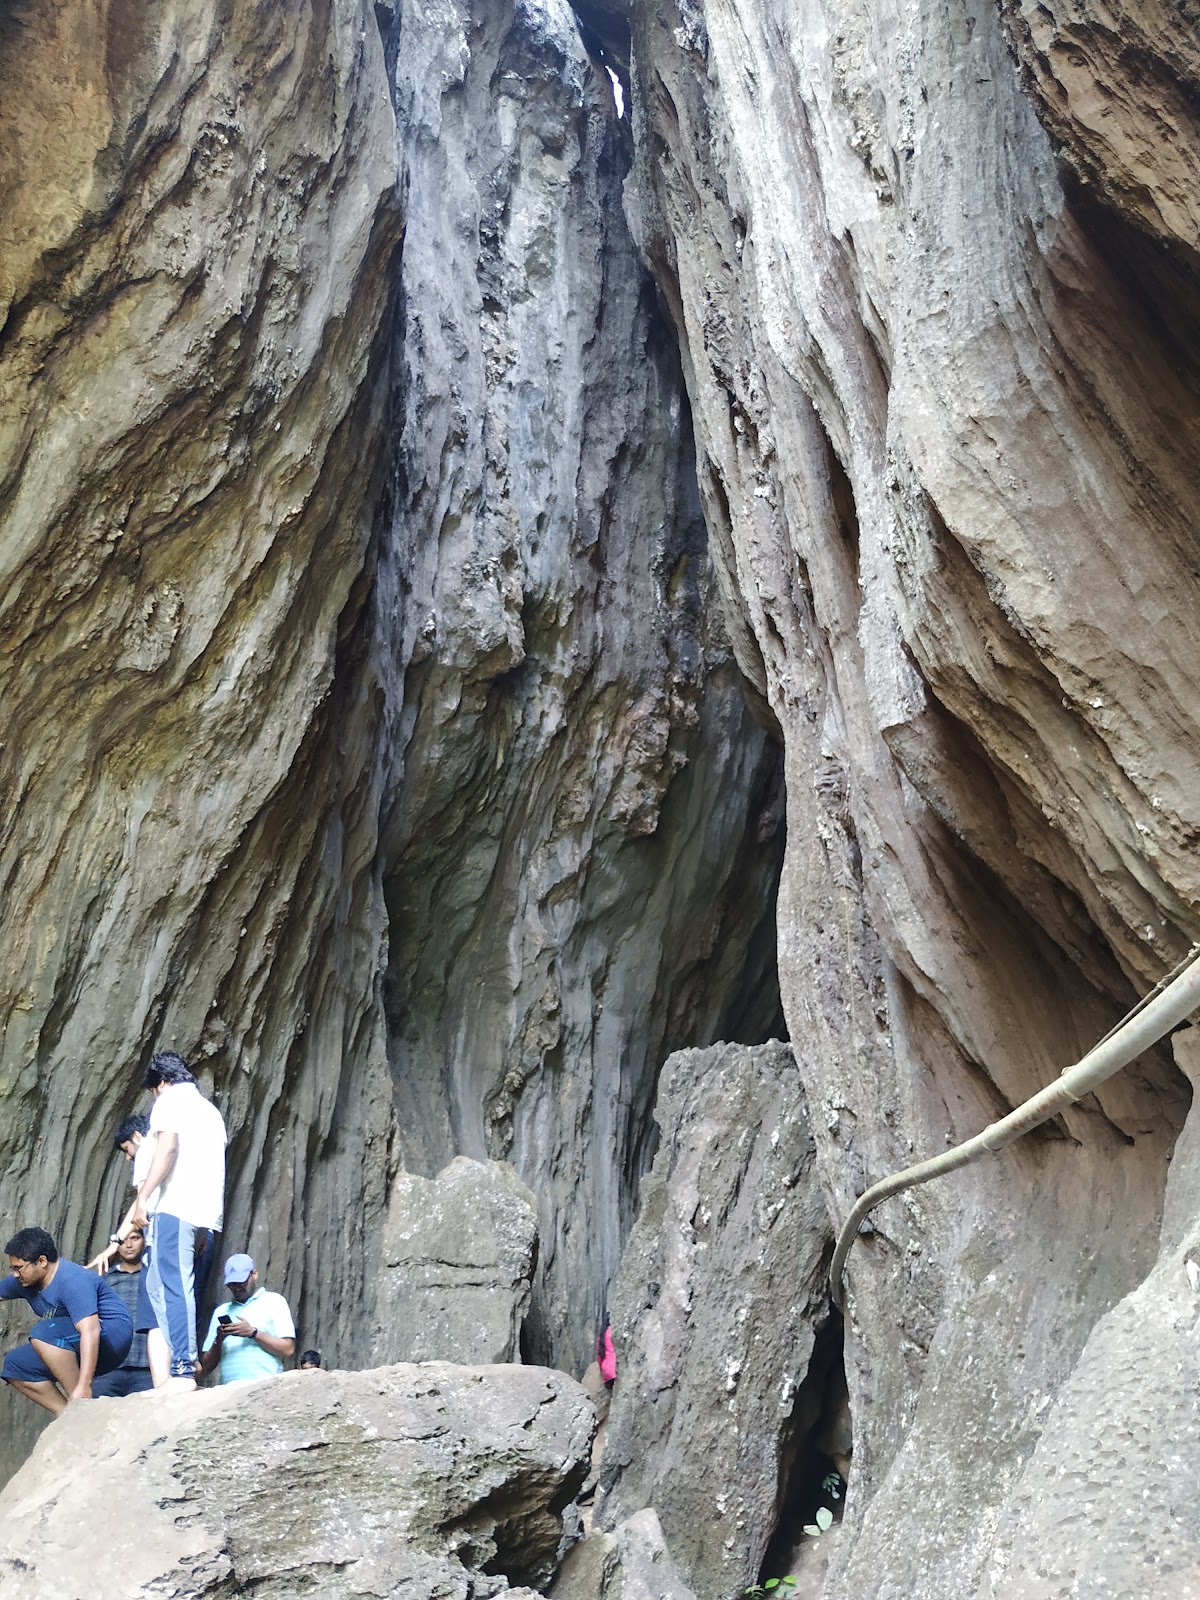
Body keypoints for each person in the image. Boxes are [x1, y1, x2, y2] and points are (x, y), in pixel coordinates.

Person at [131, 1052, 227, 1388]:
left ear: (161, 1082)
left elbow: (167, 1148)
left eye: (153, 1090)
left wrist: (144, 1197)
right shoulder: (210, 1112)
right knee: (165, 1284)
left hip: (176, 1205)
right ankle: (181, 1363)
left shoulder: (170, 1100)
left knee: (173, 1285)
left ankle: (183, 1368)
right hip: (202, 1211)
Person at [0, 1227, 133, 1414]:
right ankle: (66, 1416)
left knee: (43, 1332)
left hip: (111, 1337)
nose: (15, 1274)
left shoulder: (72, 1280)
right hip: (71, 1339)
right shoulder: (24, 1280)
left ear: (42, 1261)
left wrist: (84, 1385)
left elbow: (90, 1330)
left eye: (18, 1268)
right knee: (15, 1364)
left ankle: (80, 1404)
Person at [86, 1112, 169, 1385]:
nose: (128, 1157)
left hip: (144, 1367)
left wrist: (113, 1243)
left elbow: (139, 1202)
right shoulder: (108, 1279)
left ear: (136, 1138)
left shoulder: (147, 1151)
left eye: (126, 1150)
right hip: (111, 1367)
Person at [199, 1254, 295, 1385]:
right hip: (227, 1390)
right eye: (232, 1284)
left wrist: (253, 1333)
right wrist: (218, 1340)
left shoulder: (274, 1301)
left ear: (254, 1274)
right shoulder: (221, 1311)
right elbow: (206, 1367)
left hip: (265, 1386)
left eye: (241, 1282)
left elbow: (288, 1349)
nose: (236, 1287)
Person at [89, 1226, 154, 1397]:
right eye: (123, 1240)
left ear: (145, 1240)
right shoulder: (104, 1280)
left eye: (135, 1238)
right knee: (98, 1418)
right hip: (108, 1368)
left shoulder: (155, 1278)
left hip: (147, 1366)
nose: (129, 1245)